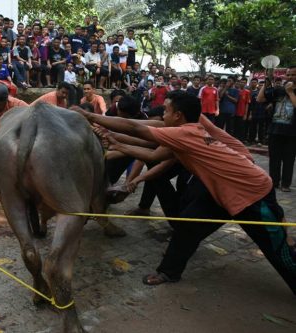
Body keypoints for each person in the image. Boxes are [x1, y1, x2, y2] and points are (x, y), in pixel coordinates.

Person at [78, 90, 296, 294]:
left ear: (178, 115)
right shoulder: (187, 131)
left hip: (252, 193)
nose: (162, 115)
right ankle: (169, 271)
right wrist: (116, 141)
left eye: (165, 111)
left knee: (278, 251)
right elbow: (153, 156)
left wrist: (89, 116)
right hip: (218, 191)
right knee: (187, 227)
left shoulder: (185, 133)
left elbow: (136, 128)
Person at [257, 66, 296, 192]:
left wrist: (290, 92)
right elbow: (260, 99)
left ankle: (285, 184)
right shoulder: (278, 90)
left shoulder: (289, 91)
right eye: (288, 74)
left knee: (289, 159)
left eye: (293, 75)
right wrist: (266, 83)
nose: (290, 77)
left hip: (292, 133)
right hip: (275, 130)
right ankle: (274, 182)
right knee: (274, 158)